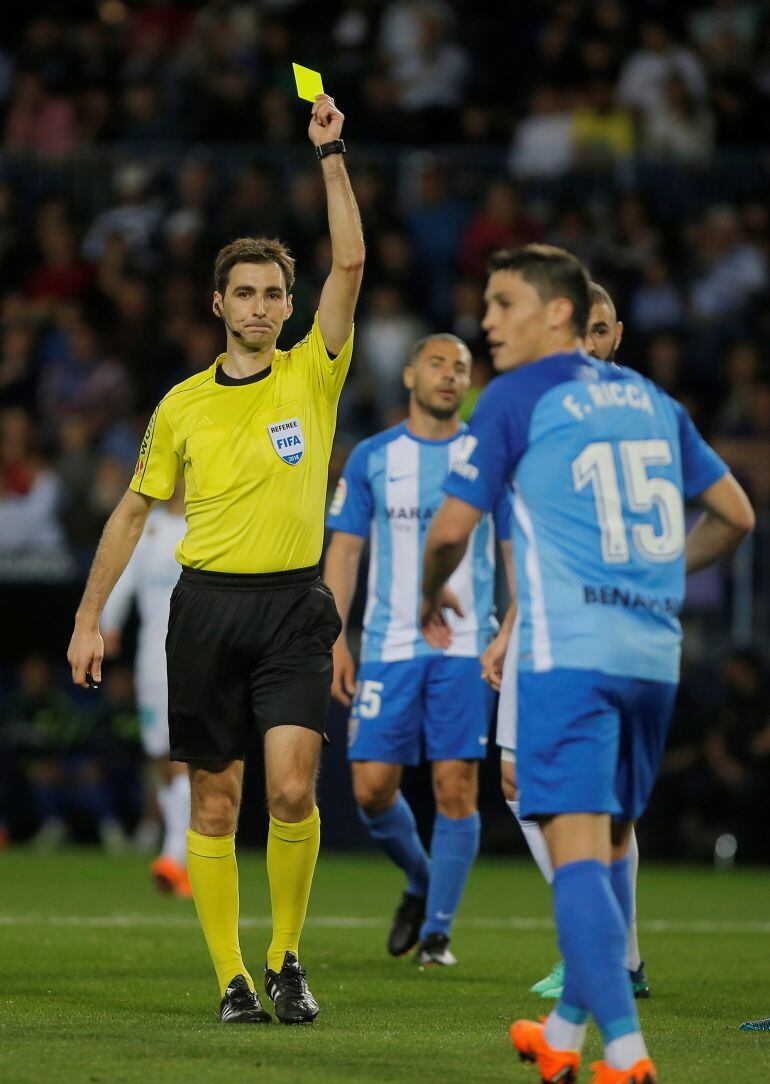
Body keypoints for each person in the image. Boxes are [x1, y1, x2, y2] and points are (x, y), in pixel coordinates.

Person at [421, 244, 753, 1083]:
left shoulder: (516, 399)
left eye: (503, 304)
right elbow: (737, 515)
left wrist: (430, 595)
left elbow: (452, 531)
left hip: (568, 655)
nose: (487, 321)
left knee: (573, 853)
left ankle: (629, 1057)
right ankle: (564, 1036)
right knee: (606, 850)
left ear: (557, 313)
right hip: (652, 655)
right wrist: (655, 575)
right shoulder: (652, 399)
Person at [67, 92, 365, 1026]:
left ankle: (285, 958)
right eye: (247, 292)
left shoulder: (314, 370)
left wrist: (330, 156)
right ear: (218, 304)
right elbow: (130, 512)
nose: (265, 306)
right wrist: (87, 616)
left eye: (276, 292)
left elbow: (349, 259)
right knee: (212, 803)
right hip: (204, 608)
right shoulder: (182, 405)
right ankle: (231, 977)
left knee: (288, 788)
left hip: (291, 610)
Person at [481, 282, 650, 1001]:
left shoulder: (632, 415)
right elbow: (526, 533)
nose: (591, 340)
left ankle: (605, 951)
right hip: (540, 616)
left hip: (601, 621)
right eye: (582, 327)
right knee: (521, 781)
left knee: (596, 797)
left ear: (616, 339)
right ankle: (610, 949)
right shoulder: (536, 410)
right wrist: (512, 621)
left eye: (603, 328)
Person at [323, 333, 512, 967]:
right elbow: (344, 550)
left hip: (466, 646)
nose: (450, 375)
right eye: (437, 363)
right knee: (372, 788)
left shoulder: (488, 457)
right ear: (409, 375)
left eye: (461, 367)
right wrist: (334, 636)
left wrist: (510, 623)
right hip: (387, 643)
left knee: (455, 785)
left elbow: (513, 546)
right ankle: (424, 880)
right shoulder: (373, 457)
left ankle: (438, 933)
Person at [100, 485, 190, 895]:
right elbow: (125, 577)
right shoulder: (150, 527)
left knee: (184, 755)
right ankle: (178, 855)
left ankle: (175, 856)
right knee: (158, 755)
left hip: (195, 656)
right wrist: (109, 625)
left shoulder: (208, 526)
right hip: (150, 662)